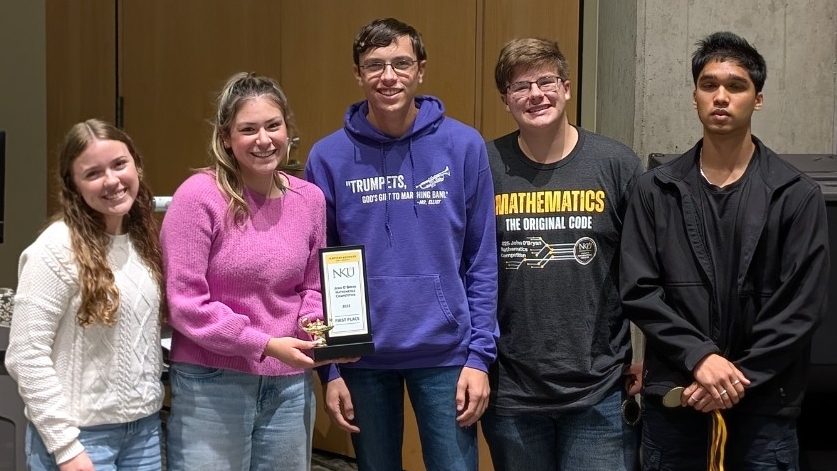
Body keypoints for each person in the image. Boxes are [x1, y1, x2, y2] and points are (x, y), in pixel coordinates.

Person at [620, 31, 829, 471]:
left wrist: (731, 378)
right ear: (694, 96)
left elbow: (801, 307)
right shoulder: (654, 189)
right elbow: (639, 289)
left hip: (765, 410)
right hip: (677, 402)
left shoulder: (796, 194)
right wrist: (699, 358)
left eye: (736, 86)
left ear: (757, 100)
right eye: (708, 85)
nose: (720, 96)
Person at [304, 17, 498, 471]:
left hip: (447, 353)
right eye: (374, 65)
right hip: (361, 356)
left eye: (400, 63)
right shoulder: (327, 157)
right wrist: (329, 368)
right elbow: (318, 268)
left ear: (421, 70)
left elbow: (482, 260)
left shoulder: (464, 146)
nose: (388, 77)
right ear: (357, 74)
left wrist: (480, 357)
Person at [160, 72, 346, 471]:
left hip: (289, 384)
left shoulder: (308, 199)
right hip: (213, 379)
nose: (263, 140)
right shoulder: (198, 196)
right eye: (248, 129)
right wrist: (263, 343)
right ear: (226, 137)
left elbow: (313, 287)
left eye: (272, 126)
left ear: (288, 130)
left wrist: (318, 338)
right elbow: (185, 303)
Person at [480, 37, 644, 471]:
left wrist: (652, 356)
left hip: (600, 389)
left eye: (547, 81)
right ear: (505, 100)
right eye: (520, 86)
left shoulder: (617, 164)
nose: (536, 94)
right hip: (511, 390)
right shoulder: (484, 166)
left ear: (567, 88)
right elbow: (467, 270)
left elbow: (646, 272)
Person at [5, 119, 165, 471]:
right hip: (79, 438)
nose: (112, 180)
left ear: (136, 164)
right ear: (73, 185)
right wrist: (65, 448)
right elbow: (25, 356)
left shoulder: (142, 240)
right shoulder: (54, 250)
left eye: (119, 164)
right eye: (93, 173)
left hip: (144, 432)